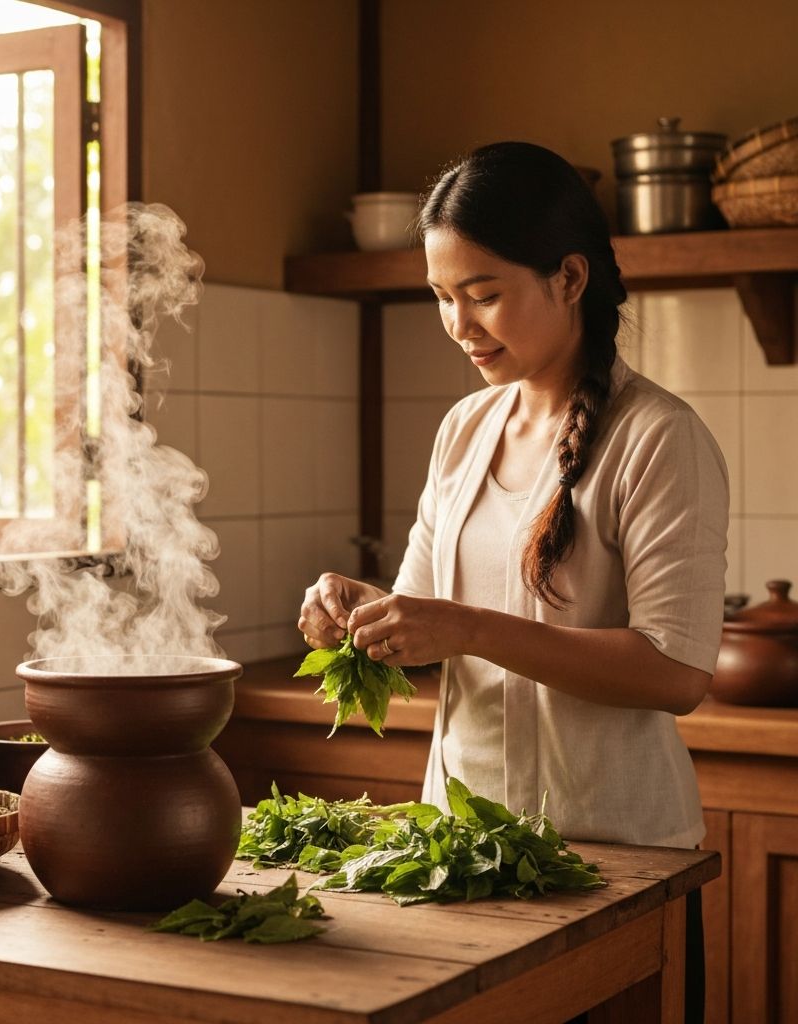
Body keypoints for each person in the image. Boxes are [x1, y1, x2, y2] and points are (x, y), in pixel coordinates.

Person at [297, 141, 727, 1024]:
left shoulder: (657, 437)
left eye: (484, 293)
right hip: (460, 856)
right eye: (441, 297)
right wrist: (356, 612)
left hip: (613, 861)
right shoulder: (463, 429)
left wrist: (471, 629)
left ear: (569, 278)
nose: (459, 324)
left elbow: (676, 673)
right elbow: (420, 623)